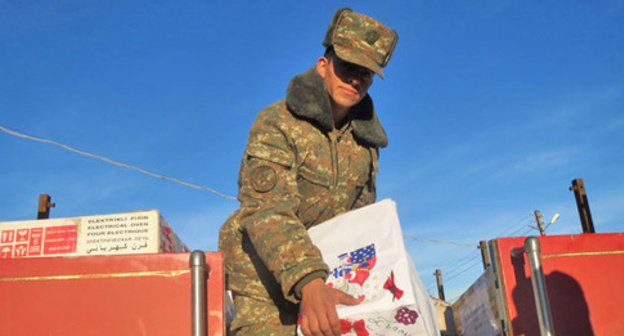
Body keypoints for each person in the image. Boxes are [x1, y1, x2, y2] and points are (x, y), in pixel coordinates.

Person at [219, 8, 398, 336]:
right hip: (260, 269)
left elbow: (360, 225)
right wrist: (310, 282)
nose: (355, 80)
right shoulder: (278, 122)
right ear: (323, 66)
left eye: (366, 73)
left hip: (328, 269)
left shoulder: (365, 144)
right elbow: (266, 209)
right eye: (347, 68)